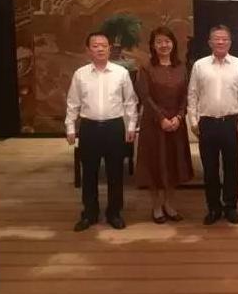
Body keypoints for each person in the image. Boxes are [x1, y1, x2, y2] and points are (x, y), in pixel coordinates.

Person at [66, 32, 138, 231]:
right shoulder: (80, 74)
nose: (100, 49)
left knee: (116, 173)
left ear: (109, 48)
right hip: (89, 128)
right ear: (88, 50)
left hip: (114, 127)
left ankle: (114, 213)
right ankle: (89, 213)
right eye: (95, 45)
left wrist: (131, 125)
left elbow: (130, 101)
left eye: (103, 45)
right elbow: (73, 102)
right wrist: (70, 126)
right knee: (89, 173)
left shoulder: (121, 73)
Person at [187, 25, 238, 225]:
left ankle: (230, 206)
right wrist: (193, 121)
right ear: (210, 42)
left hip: (231, 123)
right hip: (207, 123)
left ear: (230, 42)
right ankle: (213, 208)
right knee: (210, 169)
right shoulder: (200, 65)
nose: (220, 42)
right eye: (216, 38)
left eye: (224, 39)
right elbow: (192, 95)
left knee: (231, 168)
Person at [135, 26, 193, 224]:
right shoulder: (146, 68)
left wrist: (179, 116)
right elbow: (145, 96)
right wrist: (161, 118)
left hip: (176, 123)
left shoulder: (181, 67)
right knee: (154, 165)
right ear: (153, 45)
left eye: (167, 41)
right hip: (154, 124)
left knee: (173, 164)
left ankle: (169, 204)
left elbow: (186, 95)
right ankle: (156, 206)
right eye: (159, 41)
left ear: (173, 44)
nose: (163, 45)